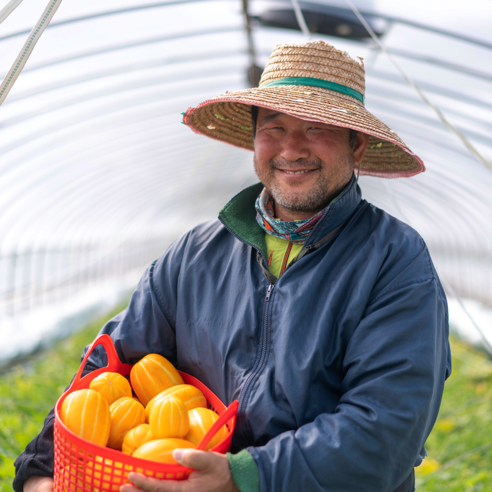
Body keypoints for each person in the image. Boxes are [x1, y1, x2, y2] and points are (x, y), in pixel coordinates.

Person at [15, 40, 451, 492]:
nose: (291, 149)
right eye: (275, 127)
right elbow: (114, 360)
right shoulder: (196, 253)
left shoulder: (394, 260)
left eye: (317, 128)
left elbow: (387, 428)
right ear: (254, 136)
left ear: (356, 146)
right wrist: (44, 469)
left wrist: (246, 477)